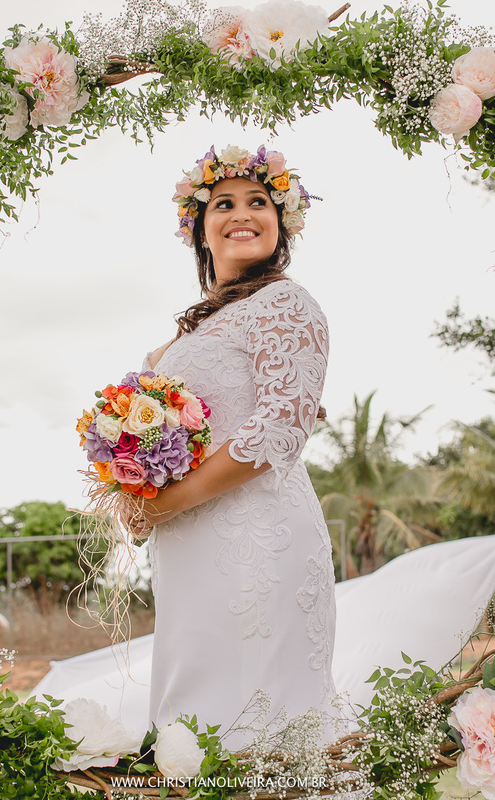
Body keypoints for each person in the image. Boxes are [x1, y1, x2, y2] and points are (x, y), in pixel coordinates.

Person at [119, 145, 339, 747]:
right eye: (223, 203)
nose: (242, 213)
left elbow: (280, 428)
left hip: (259, 533)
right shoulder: (189, 333)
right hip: (186, 548)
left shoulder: (286, 305)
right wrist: (133, 487)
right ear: (199, 228)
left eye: (258, 202)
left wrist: (166, 502)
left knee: (256, 723)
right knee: (192, 726)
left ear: (280, 221)